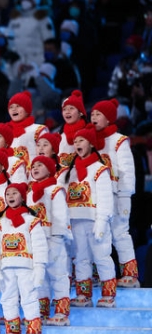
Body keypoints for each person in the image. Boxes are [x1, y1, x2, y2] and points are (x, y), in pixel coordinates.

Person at [59, 124, 117, 308]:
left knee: (101, 256)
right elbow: (61, 196)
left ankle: (108, 295)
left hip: (94, 221)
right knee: (80, 258)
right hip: (75, 220)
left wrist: (102, 222)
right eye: (75, 141)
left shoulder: (100, 169)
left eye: (81, 140)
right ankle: (83, 294)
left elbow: (106, 198)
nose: (77, 144)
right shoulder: (70, 171)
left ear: (91, 144)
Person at [91, 99, 138, 288]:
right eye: (92, 114)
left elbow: (127, 170)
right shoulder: (90, 141)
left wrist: (125, 195)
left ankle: (130, 274)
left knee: (119, 233)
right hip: (97, 197)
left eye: (98, 114)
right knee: (98, 234)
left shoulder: (119, 141)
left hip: (118, 195)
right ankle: (97, 275)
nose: (94, 117)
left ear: (109, 118)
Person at [0, 183, 48, 334]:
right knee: (7, 298)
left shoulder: (32, 221)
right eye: (8, 194)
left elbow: (40, 246)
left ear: (23, 197)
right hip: (6, 267)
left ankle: (33, 333)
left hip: (26, 267)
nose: (10, 196)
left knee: (29, 297)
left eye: (14, 193)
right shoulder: (0, 223)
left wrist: (39, 267)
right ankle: (12, 331)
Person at [28, 156, 72, 326]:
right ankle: (42, 311)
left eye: (40, 165)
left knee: (58, 274)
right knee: (41, 276)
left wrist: (57, 239)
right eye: (33, 165)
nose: (35, 168)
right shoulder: (30, 193)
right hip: (36, 241)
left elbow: (60, 216)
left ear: (50, 169)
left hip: (53, 239)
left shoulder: (55, 190)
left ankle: (62, 312)